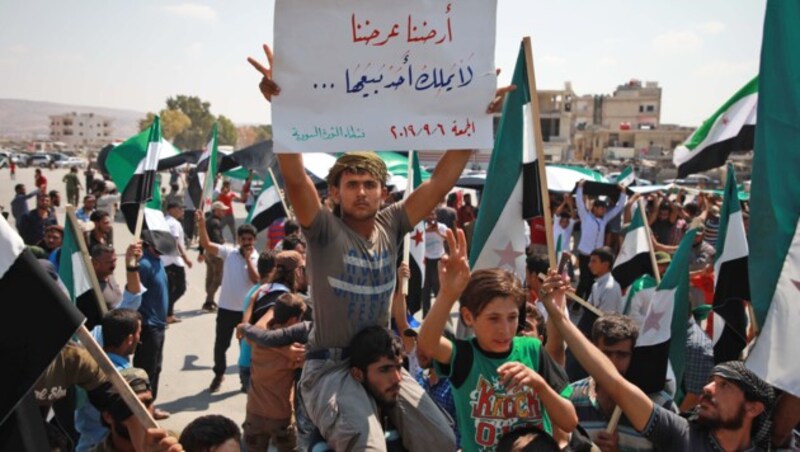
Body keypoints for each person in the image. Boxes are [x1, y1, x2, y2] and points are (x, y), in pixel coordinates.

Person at [248, 42, 494, 450]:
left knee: (443, 438)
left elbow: (438, 183)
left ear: (383, 192)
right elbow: (294, 178)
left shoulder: (393, 221)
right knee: (368, 446)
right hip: (331, 369)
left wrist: (474, 121)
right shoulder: (323, 230)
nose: (361, 192)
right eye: (351, 184)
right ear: (336, 192)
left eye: (369, 185)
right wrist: (284, 109)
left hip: (384, 363)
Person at [537, 271, 776, 452]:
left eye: (724, 385)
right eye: (712, 381)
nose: (707, 388)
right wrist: (558, 315)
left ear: (753, 408)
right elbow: (614, 383)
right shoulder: (682, 435)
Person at [417, 231, 577, 451]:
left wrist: (538, 384)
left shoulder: (533, 350)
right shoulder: (465, 356)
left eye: (512, 318)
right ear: (468, 317)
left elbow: (569, 421)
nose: (504, 329)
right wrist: (447, 294)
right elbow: (427, 345)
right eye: (493, 319)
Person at [563, 313, 677, 451]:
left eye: (622, 355)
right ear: (592, 351)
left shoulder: (660, 407)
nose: (613, 364)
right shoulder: (570, 398)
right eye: (606, 354)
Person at [197, 213, 260, 393]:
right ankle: (218, 375)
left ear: (254, 240)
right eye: (243, 239)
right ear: (239, 239)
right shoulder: (229, 252)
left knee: (245, 348)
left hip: (246, 312)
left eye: (250, 239)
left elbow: (256, 280)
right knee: (221, 346)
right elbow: (207, 245)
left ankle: (244, 379)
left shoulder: (257, 258)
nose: (247, 242)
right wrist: (201, 224)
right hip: (225, 309)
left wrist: (248, 259)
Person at [243, 293, 307, 451]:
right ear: (293, 320)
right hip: (280, 417)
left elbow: (256, 328)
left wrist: (272, 310)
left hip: (254, 413)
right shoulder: (295, 350)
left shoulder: (256, 339)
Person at [75, 309, 142, 451]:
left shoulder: (90, 368)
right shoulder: (122, 380)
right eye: (138, 333)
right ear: (129, 339)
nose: (139, 338)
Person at [132, 236, 171, 420]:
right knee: (145, 371)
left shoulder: (157, 260)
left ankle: (150, 407)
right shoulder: (145, 264)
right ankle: (140, 411)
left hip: (159, 325)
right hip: (148, 326)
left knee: (156, 368)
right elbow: (135, 293)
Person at [575, 180, 627, 299]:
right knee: (583, 280)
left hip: (596, 255)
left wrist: (623, 192)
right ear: (594, 208)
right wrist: (580, 187)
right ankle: (577, 305)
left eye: (604, 208)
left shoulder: (604, 220)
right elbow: (579, 203)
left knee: (592, 281)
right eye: (601, 208)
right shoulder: (586, 217)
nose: (603, 210)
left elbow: (618, 208)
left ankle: (588, 304)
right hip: (584, 254)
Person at [163, 201, 193, 324]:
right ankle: (165, 311)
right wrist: (186, 258)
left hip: (164, 260)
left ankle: (168, 314)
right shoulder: (174, 224)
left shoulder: (164, 220)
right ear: (173, 209)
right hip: (173, 261)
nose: (183, 211)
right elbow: (174, 242)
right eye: (180, 208)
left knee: (169, 289)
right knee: (180, 288)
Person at [198, 201, 227, 312]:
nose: (224, 211)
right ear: (216, 210)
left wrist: (201, 252)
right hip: (215, 253)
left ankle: (210, 299)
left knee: (210, 277)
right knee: (218, 278)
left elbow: (202, 238)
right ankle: (208, 301)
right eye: (222, 210)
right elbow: (216, 239)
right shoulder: (215, 222)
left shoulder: (208, 221)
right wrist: (222, 242)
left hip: (207, 252)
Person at [421, 209, 448, 316]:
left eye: (432, 214)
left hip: (438, 259)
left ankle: (439, 313)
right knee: (426, 287)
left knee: (438, 286)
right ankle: (426, 313)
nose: (431, 217)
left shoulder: (442, 227)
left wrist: (437, 231)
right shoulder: (422, 228)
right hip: (426, 259)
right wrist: (427, 231)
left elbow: (449, 239)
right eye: (428, 215)